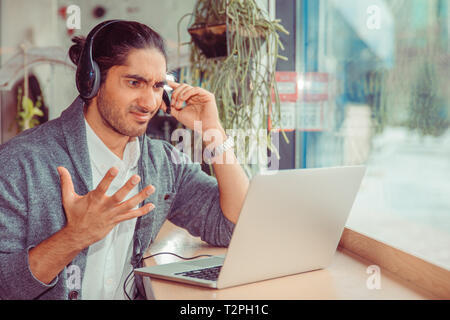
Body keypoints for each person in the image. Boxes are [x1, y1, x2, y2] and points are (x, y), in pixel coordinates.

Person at [0, 20, 249, 300]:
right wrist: (74, 237)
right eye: (134, 83)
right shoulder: (20, 163)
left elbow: (235, 227)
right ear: (90, 80)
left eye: (157, 86)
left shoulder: (161, 163)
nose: (149, 102)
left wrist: (211, 129)